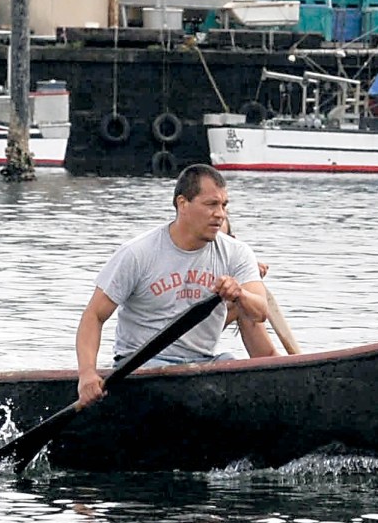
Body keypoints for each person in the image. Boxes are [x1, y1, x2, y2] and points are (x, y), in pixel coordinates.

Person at [74, 164, 280, 405]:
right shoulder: (137, 253)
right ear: (183, 204)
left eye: (224, 205)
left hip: (203, 362)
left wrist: (240, 294)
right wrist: (87, 374)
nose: (221, 214)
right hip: (140, 367)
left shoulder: (238, 253)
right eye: (211, 204)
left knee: (233, 369)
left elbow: (260, 312)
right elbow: (94, 315)